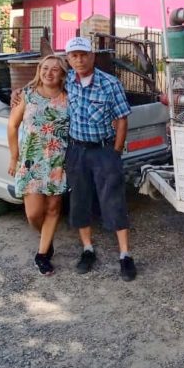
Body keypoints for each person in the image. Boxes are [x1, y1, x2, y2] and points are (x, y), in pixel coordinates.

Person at [64, 36, 136, 281]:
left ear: (92, 56)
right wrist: (19, 93)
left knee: (113, 200)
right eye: (74, 55)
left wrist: (115, 151)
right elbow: (42, 85)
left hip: (103, 151)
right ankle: (87, 249)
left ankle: (125, 255)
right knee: (79, 200)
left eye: (83, 54)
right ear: (69, 59)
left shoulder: (109, 83)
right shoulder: (68, 82)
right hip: (76, 151)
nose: (79, 59)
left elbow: (122, 118)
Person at [7, 55, 70, 276]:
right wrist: (14, 157)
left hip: (57, 161)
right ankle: (46, 236)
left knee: (53, 209)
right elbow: (13, 126)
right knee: (33, 213)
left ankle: (42, 254)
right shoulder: (26, 95)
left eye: (55, 69)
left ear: (62, 74)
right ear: (39, 70)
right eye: (45, 68)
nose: (48, 73)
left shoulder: (68, 97)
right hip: (31, 161)